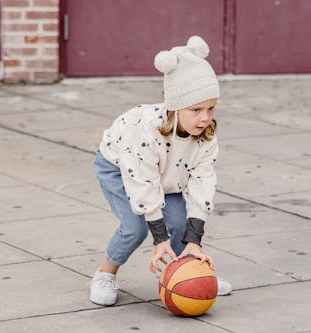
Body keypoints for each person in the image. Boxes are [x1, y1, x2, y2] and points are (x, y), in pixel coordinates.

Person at [90, 36, 232, 306]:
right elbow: (142, 183)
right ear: (175, 106)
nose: (205, 117)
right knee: (134, 227)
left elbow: (202, 183)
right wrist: (159, 239)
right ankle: (105, 275)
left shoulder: (206, 137)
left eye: (211, 108)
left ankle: (190, 273)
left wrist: (195, 241)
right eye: (196, 109)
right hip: (120, 167)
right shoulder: (145, 131)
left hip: (171, 172)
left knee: (179, 224)